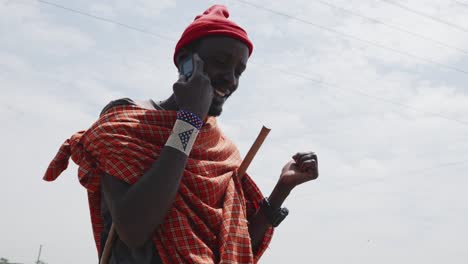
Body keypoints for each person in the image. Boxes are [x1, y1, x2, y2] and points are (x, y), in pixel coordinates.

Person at [44, 5, 319, 264]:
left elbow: (232, 246)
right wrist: (189, 120)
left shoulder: (221, 150)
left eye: (239, 71)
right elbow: (134, 228)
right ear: (186, 62)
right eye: (220, 62)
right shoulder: (127, 123)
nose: (231, 79)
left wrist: (283, 188)